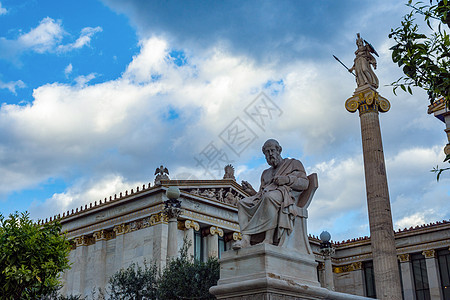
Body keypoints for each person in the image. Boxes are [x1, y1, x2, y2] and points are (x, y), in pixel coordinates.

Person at [234, 139, 309, 249]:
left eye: (272, 151)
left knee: (269, 197)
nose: (270, 154)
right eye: (266, 153)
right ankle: (246, 240)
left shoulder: (293, 164)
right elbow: (260, 195)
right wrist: (252, 192)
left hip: (285, 195)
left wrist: (286, 179)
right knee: (242, 203)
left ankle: (268, 239)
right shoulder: (266, 173)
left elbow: (304, 183)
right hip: (268, 196)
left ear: (279, 150)